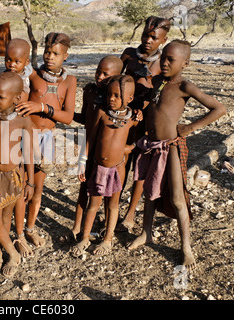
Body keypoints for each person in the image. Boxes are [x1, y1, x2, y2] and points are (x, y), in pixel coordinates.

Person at [127, 40, 227, 271]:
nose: (165, 63)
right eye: (163, 58)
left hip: (171, 146)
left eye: (171, 60)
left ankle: (186, 248)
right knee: (150, 192)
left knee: (178, 197)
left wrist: (191, 127)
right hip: (151, 145)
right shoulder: (159, 82)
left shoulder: (185, 86)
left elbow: (219, 109)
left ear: (185, 63)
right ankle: (146, 233)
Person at [15, 32, 77, 249]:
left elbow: (68, 117)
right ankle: (19, 234)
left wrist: (42, 107)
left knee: (37, 188)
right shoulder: (32, 75)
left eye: (56, 53)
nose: (50, 57)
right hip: (27, 135)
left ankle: (30, 229)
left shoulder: (69, 81)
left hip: (47, 138)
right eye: (47, 52)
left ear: (65, 56)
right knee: (24, 186)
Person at [73, 75, 140, 257]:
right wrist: (82, 163)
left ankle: (108, 240)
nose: (111, 99)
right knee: (93, 204)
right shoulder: (102, 114)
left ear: (129, 99)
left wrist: (129, 148)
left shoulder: (131, 119)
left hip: (118, 168)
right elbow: (90, 139)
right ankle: (85, 238)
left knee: (113, 205)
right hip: (98, 167)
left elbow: (142, 136)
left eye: (117, 96)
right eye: (109, 95)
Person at [0, 39, 36, 257]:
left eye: (0, 97)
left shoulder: (23, 121)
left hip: (14, 175)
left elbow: (29, 153)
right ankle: (13, 253)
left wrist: (30, 181)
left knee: (5, 218)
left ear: (16, 99)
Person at [62, 55, 123, 244]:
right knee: (84, 187)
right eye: (98, 71)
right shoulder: (89, 91)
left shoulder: (117, 99)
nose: (100, 76)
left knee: (106, 192)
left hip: (105, 152)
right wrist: (61, 111)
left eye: (106, 74)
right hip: (87, 145)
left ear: (117, 77)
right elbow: (85, 116)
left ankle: (105, 229)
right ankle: (77, 227)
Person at [119, 16, 171, 233]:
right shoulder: (129, 54)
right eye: (145, 35)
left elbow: (163, 93)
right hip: (123, 119)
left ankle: (130, 214)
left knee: (139, 169)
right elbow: (116, 78)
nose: (148, 40)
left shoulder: (163, 63)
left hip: (145, 122)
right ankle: (111, 205)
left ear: (163, 40)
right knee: (120, 163)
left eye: (154, 37)